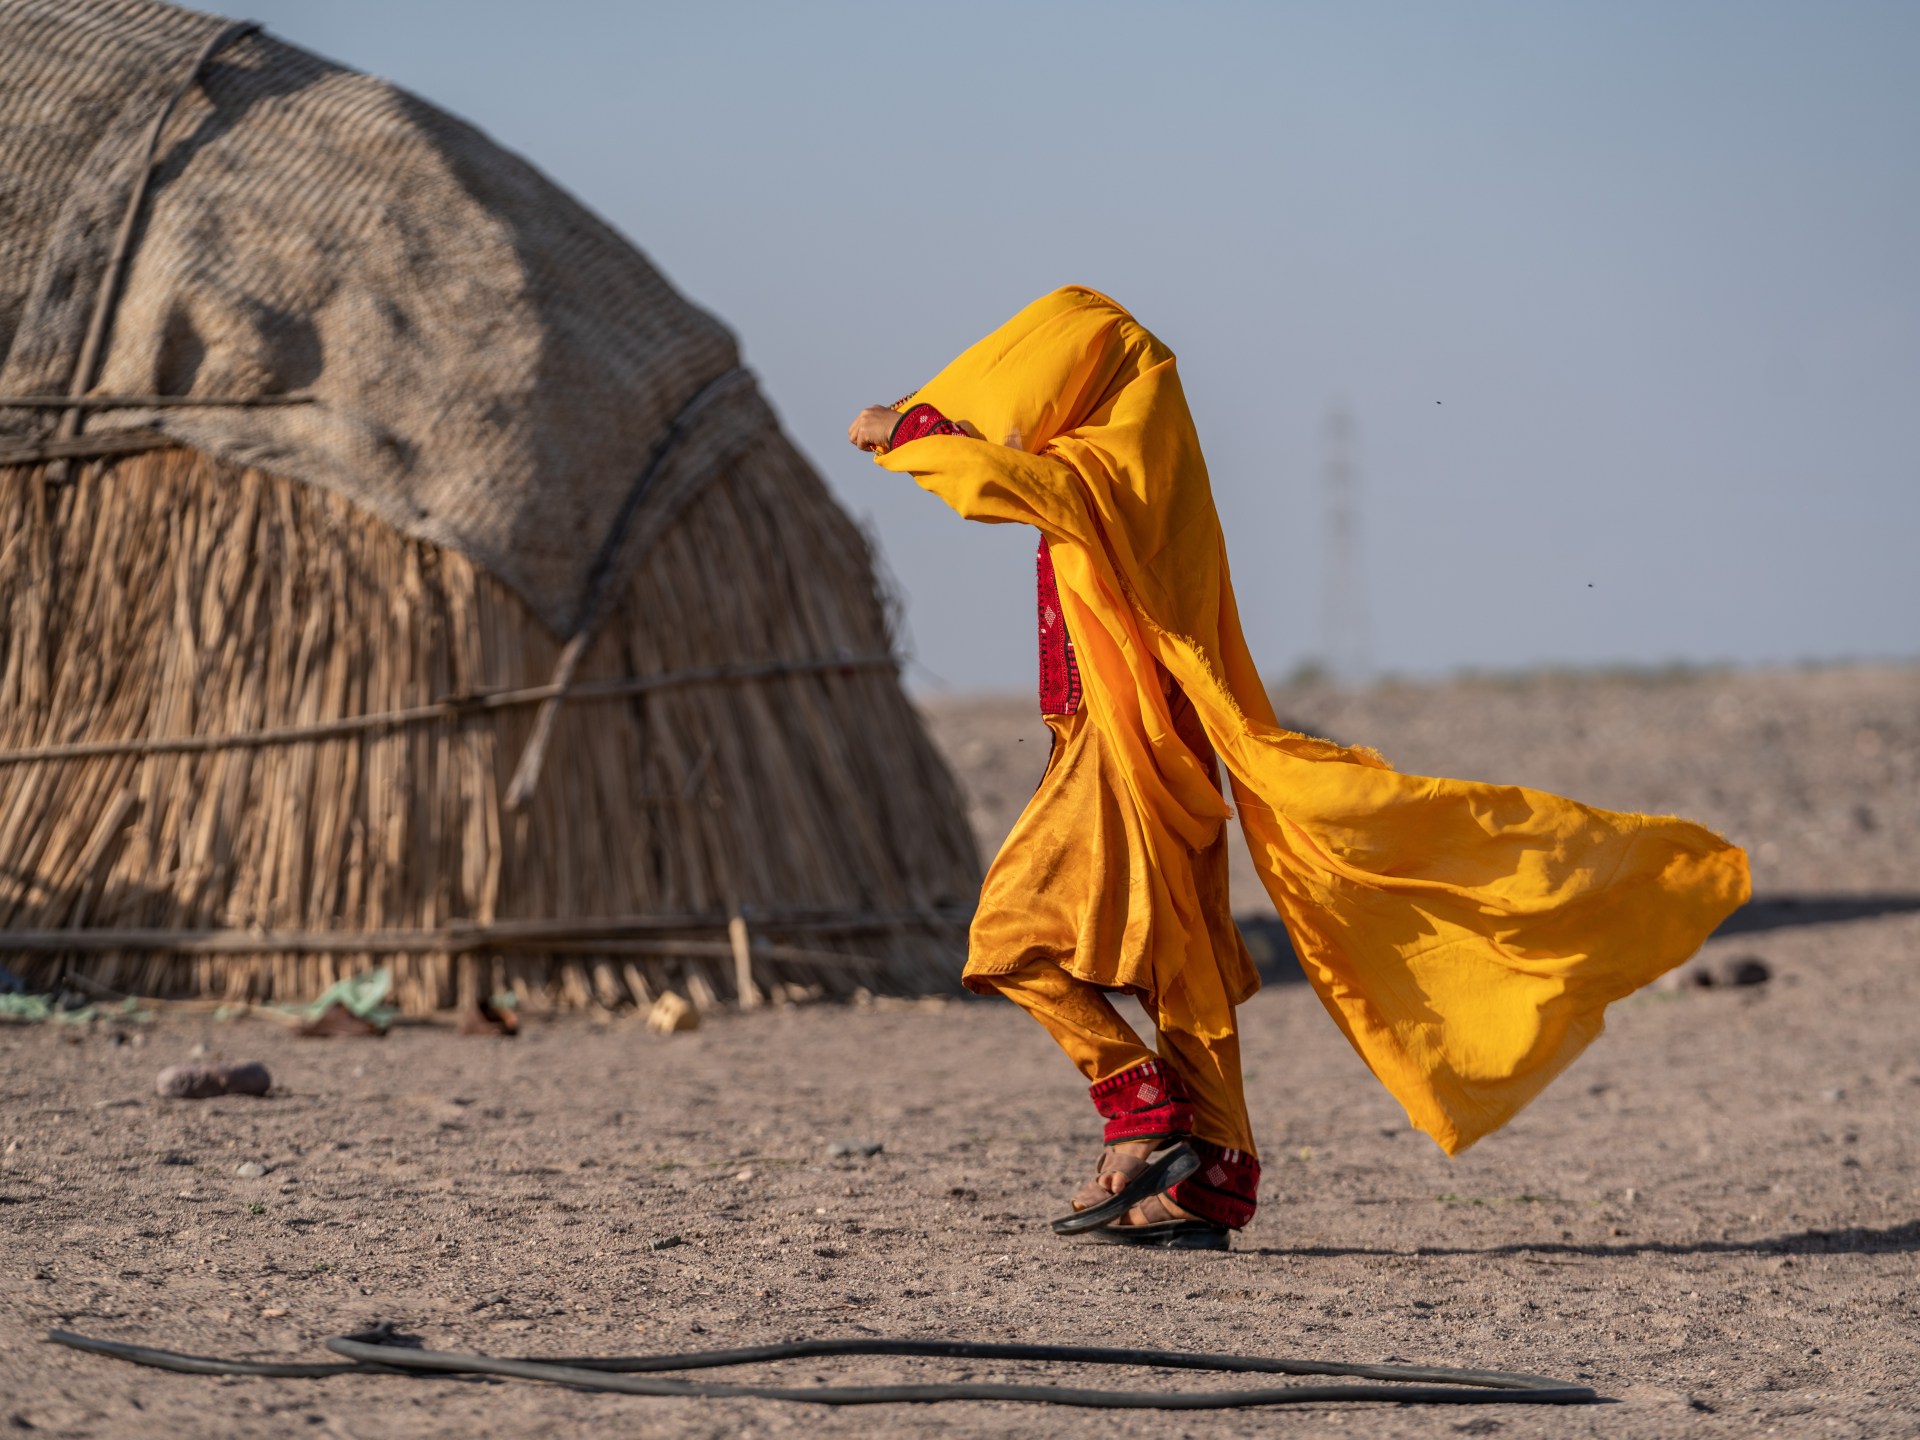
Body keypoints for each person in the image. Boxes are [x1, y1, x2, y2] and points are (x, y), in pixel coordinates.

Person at [849, 287, 1749, 1252]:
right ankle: (1215, 1177)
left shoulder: (1115, 462)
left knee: (1010, 940)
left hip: (1127, 744)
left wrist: (916, 433)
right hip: (1146, 739)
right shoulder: (1136, 455)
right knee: (1179, 966)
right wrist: (934, 419)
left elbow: (1018, 488)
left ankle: (1142, 1116)